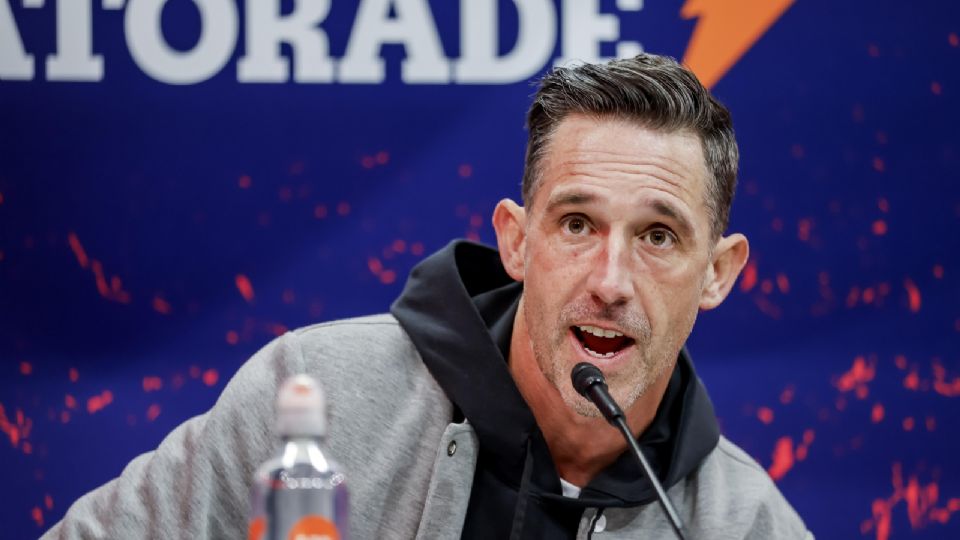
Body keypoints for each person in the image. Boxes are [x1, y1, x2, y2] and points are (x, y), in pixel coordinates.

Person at [44, 53, 812, 539]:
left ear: (717, 272)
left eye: (657, 237)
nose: (610, 283)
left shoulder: (740, 524)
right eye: (577, 224)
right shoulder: (314, 400)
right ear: (516, 241)